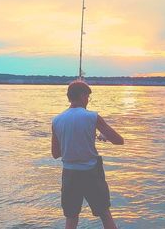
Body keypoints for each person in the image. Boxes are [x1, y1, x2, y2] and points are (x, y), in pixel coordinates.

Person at [51, 80, 124, 229]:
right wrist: (103, 135)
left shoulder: (57, 120)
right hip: (91, 173)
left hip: (69, 174)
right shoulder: (92, 117)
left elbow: (55, 153)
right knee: (105, 214)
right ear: (83, 95)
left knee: (71, 218)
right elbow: (119, 140)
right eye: (88, 97)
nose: (88, 101)